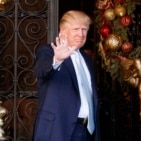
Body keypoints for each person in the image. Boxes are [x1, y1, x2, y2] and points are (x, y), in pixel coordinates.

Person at [33, 10, 100, 141]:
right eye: (76, 29)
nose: (81, 34)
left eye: (84, 29)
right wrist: (57, 60)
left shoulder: (86, 58)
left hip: (87, 130)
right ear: (63, 31)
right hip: (58, 129)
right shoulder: (48, 51)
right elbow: (40, 72)